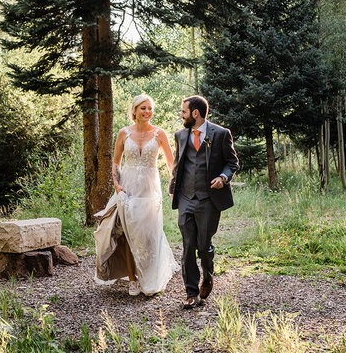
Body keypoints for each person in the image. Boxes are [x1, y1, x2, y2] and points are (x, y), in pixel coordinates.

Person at [93, 94, 179, 296]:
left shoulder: (159, 134)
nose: (147, 112)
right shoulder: (124, 133)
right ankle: (132, 279)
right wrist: (116, 184)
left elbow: (171, 163)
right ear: (134, 110)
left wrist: (174, 187)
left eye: (150, 108)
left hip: (150, 189)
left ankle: (149, 276)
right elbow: (116, 162)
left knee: (149, 234)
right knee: (127, 233)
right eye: (143, 108)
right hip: (128, 188)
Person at [169, 95, 239, 309]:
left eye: (184, 112)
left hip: (209, 200)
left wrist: (223, 177)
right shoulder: (180, 135)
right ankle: (191, 293)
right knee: (188, 246)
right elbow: (177, 165)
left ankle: (207, 276)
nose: (181, 115)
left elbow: (232, 162)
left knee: (203, 245)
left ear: (195, 113)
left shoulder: (220, 134)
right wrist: (173, 190)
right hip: (185, 199)